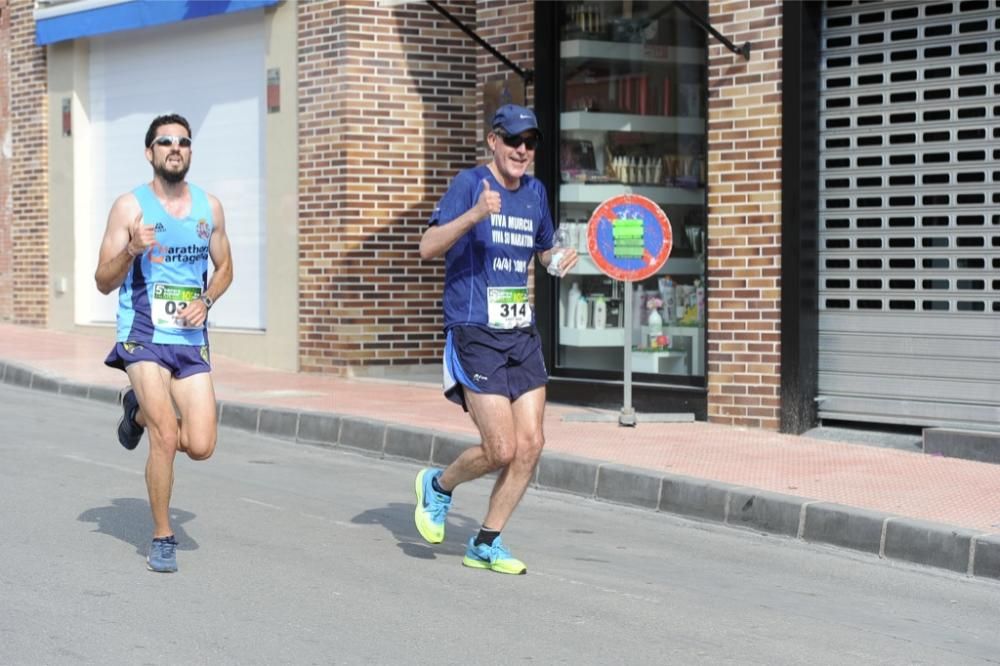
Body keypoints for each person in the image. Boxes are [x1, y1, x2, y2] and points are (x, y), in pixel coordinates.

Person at [414, 104, 578, 575]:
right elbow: (427, 247)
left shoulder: (536, 192)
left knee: (532, 444)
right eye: (513, 141)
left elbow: (542, 248)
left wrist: (554, 260)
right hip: (474, 331)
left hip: (520, 331)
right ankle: (438, 486)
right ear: (493, 141)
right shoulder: (470, 184)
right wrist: (475, 214)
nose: (522, 151)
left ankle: (486, 541)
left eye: (530, 143)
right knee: (500, 448)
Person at [94, 113, 233, 573]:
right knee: (166, 436)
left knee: (201, 444)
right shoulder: (128, 208)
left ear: (190, 151)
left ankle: (134, 408)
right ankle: (162, 535)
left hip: (190, 338)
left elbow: (225, 268)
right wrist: (131, 250)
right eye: (165, 141)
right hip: (144, 336)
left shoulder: (208, 208)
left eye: (183, 141)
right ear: (150, 152)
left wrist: (207, 299)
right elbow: (101, 281)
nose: (175, 147)